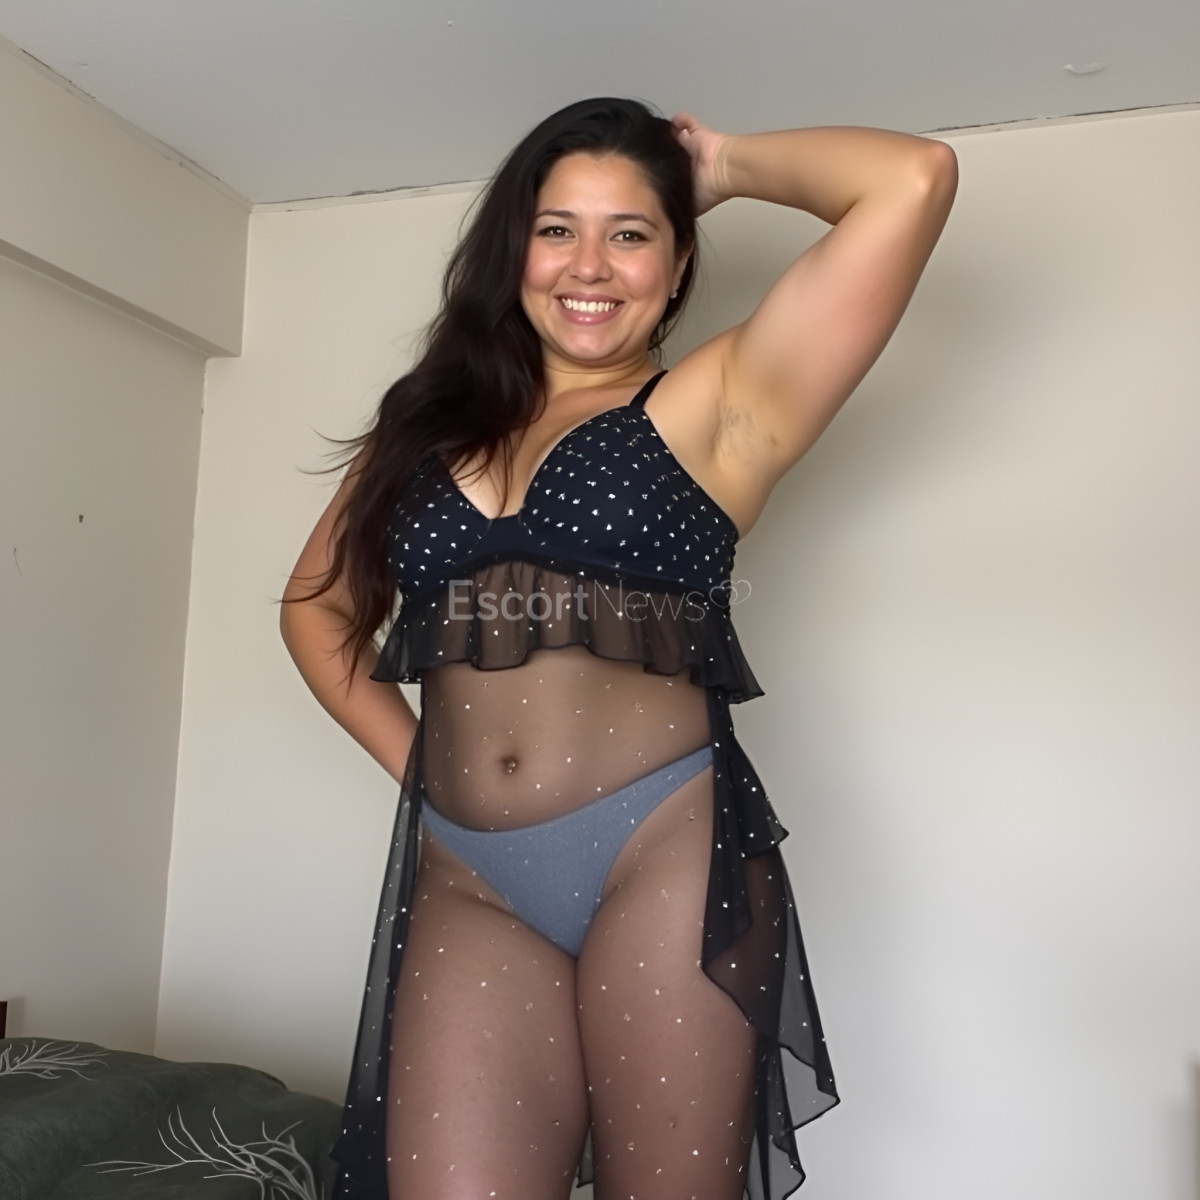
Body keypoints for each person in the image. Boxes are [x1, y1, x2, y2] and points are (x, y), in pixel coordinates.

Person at [281, 97, 957, 1200]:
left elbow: (912, 178)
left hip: (663, 854)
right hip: (468, 875)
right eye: (557, 229)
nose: (588, 265)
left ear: (679, 259)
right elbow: (315, 609)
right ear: (515, 248)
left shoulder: (722, 397)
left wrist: (720, 165)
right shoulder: (426, 421)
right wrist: (423, 773)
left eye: (630, 233)